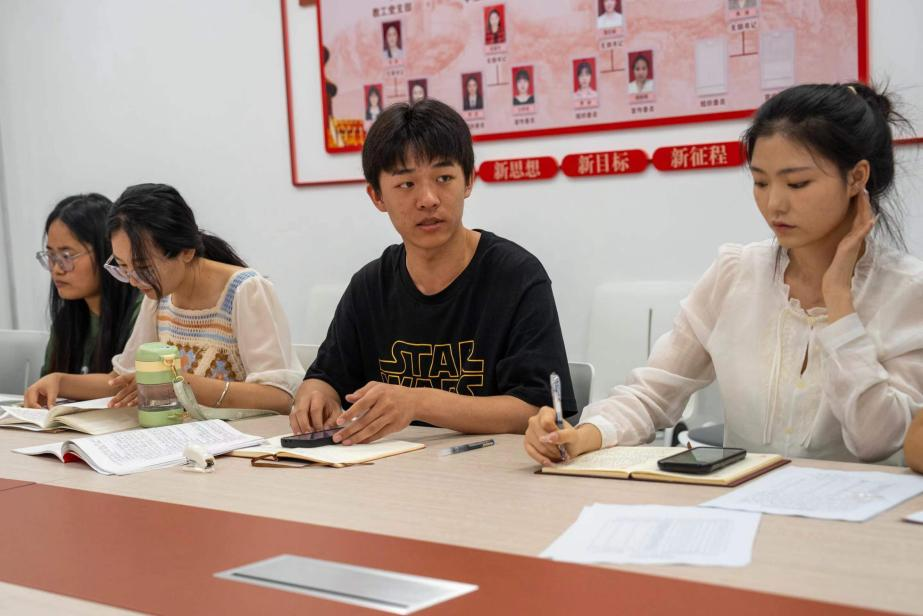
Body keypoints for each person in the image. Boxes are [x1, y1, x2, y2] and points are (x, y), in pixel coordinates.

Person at [525, 83, 923, 465]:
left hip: (863, 510)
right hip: (743, 501)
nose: (774, 203)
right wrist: (582, 435)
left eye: (797, 183)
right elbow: (652, 393)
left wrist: (839, 301)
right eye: (760, 182)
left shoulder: (906, 291)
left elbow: (878, 442)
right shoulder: (736, 274)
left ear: (857, 178)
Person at [290, 98, 575, 445]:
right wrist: (315, 395)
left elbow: (537, 408)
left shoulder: (516, 276)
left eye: (443, 178)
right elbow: (326, 378)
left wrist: (419, 402)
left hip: (488, 469)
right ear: (377, 196)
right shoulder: (369, 286)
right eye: (406, 184)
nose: (428, 199)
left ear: (468, 181)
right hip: (388, 471)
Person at [105, 183, 303, 412]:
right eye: (123, 267)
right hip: (180, 429)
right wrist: (64, 384)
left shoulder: (246, 291)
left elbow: (279, 397)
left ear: (186, 251)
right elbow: (124, 380)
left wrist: (181, 383)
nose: (133, 280)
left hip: (243, 432)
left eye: (144, 267)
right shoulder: (158, 295)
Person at [23, 194, 141, 408]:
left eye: (67, 256)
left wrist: (61, 382)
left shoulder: (142, 309)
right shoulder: (67, 318)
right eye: (51, 256)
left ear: (108, 252)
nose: (57, 269)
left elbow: (129, 385)